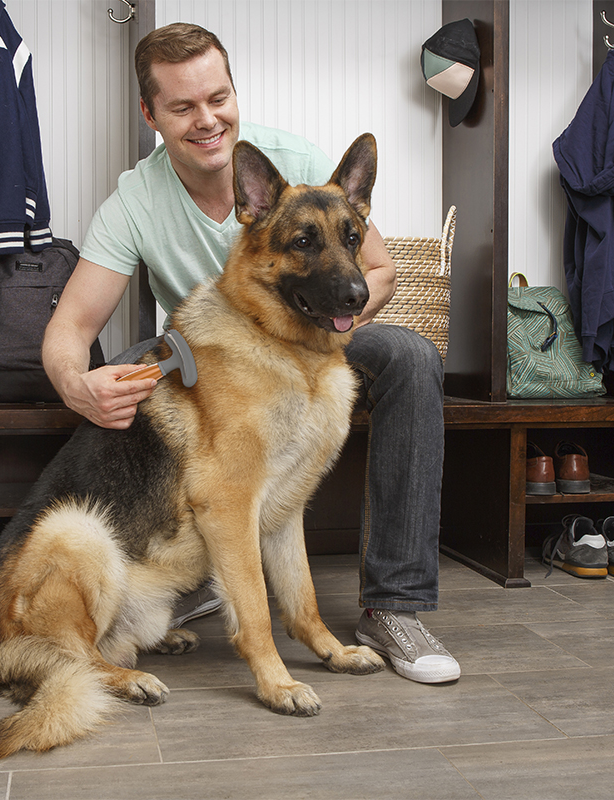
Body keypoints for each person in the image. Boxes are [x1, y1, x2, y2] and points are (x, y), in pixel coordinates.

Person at [43, 23, 460, 685]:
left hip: (320, 331)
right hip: (210, 354)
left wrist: (334, 326)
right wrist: (77, 382)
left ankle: (396, 606)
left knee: (410, 356)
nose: (208, 119)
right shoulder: (134, 199)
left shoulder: (296, 166)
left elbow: (376, 270)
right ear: (150, 115)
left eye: (218, 97)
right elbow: (70, 327)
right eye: (183, 107)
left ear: (234, 92)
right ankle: (96, 580)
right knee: (122, 362)